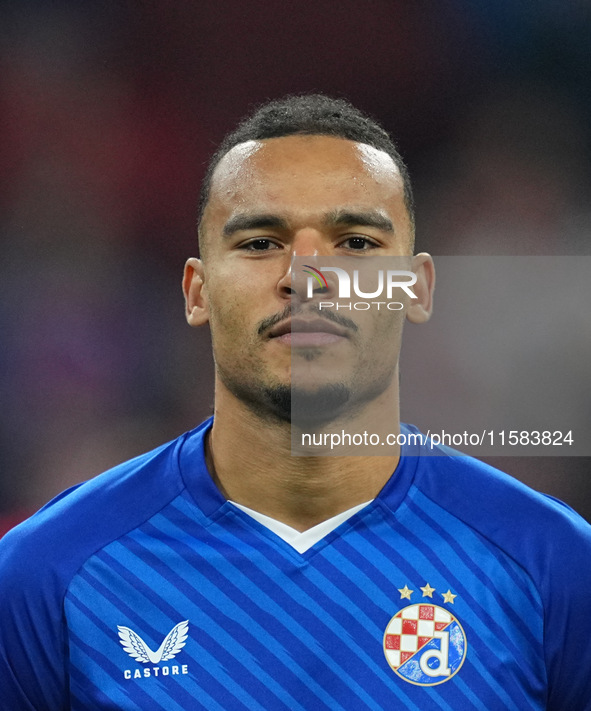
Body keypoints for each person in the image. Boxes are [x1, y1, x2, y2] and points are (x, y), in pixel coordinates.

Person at [1, 94, 590, 711]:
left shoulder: (553, 566)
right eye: (259, 243)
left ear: (416, 290)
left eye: (357, 243)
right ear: (197, 292)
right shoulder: (48, 575)